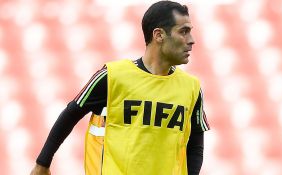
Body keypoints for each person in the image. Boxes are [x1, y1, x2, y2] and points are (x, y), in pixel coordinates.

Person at [30, 1, 210, 175]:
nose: (191, 40)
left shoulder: (191, 87)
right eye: (183, 31)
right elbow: (71, 113)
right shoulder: (112, 76)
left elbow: (195, 145)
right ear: (159, 35)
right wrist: (42, 164)